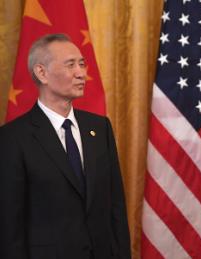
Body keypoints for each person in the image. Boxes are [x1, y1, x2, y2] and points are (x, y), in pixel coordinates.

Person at [0, 34, 131, 259]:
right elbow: (9, 224)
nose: (81, 73)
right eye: (70, 65)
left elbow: (115, 207)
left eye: (82, 64)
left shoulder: (100, 128)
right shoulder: (12, 138)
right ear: (42, 73)